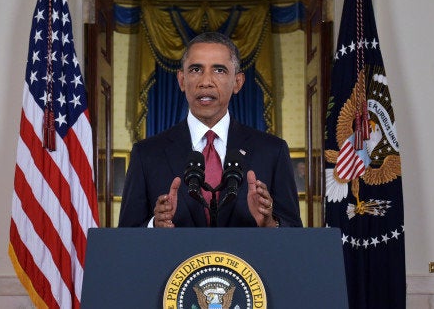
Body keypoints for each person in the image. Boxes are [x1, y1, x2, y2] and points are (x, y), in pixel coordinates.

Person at [118, 32, 302, 228]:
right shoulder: (146, 154)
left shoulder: (272, 151)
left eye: (219, 70)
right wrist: (155, 225)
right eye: (196, 69)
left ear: (237, 82)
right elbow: (126, 239)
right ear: (181, 80)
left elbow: (295, 236)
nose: (206, 81)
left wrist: (269, 224)